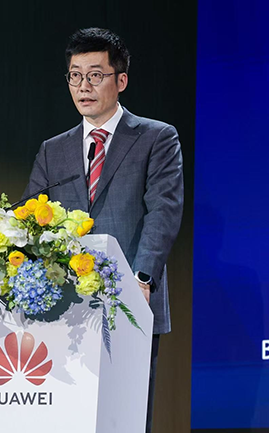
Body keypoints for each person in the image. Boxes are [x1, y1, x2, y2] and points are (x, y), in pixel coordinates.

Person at [23, 27, 184, 432]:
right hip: (64, 306)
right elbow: (28, 220)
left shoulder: (156, 138)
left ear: (121, 80)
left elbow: (163, 211)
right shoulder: (53, 150)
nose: (84, 86)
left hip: (129, 301)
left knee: (123, 419)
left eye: (95, 75)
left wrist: (141, 279)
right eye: (75, 76)